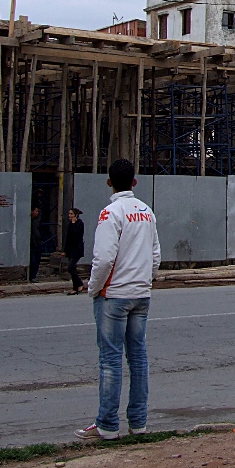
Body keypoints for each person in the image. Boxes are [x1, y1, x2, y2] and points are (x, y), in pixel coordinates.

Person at [76, 159, 161, 440]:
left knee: (110, 360)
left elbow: (103, 258)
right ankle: (138, 423)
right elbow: (155, 255)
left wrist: (93, 288)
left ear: (109, 182)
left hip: (113, 295)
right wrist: (145, 280)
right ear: (134, 182)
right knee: (138, 359)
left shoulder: (110, 213)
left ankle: (108, 425)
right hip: (141, 294)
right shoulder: (146, 212)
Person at [64, 208, 86, 295]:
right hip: (71, 249)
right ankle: (75, 287)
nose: (70, 216)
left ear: (76, 215)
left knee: (70, 267)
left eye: (71, 214)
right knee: (73, 268)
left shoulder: (79, 224)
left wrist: (73, 223)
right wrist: (65, 251)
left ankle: (80, 283)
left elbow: (75, 234)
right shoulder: (70, 224)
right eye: (69, 214)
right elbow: (68, 238)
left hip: (77, 249)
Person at [29, 207, 42, 283]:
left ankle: (33, 276)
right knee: (32, 261)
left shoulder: (37, 220)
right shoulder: (30, 221)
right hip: (32, 244)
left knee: (36, 261)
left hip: (38, 243)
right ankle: (31, 276)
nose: (37, 213)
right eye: (36, 211)